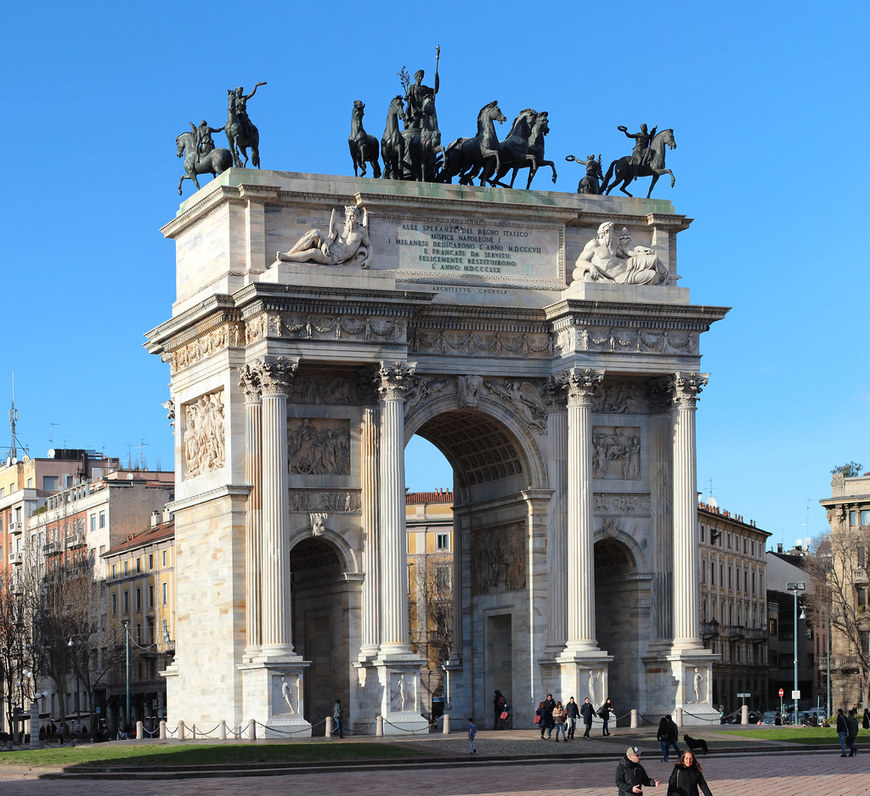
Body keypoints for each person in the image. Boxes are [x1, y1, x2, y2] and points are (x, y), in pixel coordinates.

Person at [575, 221, 667, 285]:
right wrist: (591, 266)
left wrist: (639, 251)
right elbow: (579, 261)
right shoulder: (593, 245)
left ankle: (667, 276)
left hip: (628, 264)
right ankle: (663, 278)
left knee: (653, 259)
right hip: (621, 276)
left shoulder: (613, 244)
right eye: (611, 231)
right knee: (652, 275)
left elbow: (626, 253)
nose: (613, 234)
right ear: (605, 232)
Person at [277, 205, 370, 267]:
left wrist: (369, 260)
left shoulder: (362, 232)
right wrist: (325, 245)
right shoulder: (339, 226)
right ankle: (289, 253)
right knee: (315, 233)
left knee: (313, 252)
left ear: (356, 217)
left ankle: (287, 258)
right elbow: (330, 238)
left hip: (333, 257)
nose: (350, 219)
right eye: (348, 217)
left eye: (352, 217)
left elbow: (369, 246)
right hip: (328, 249)